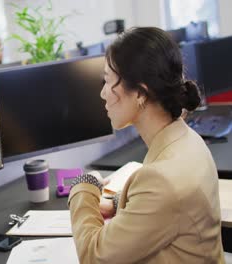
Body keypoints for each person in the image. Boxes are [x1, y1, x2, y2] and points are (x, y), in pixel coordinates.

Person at [68, 27, 224, 263]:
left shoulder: (162, 180)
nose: (102, 94)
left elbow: (93, 256)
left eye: (108, 82)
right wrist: (117, 203)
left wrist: (84, 187)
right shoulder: (187, 139)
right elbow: (169, 209)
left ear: (141, 92)